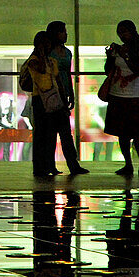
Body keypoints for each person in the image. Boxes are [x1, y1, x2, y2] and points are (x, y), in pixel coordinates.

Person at [102, 19, 139, 177]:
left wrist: (125, 56)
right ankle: (128, 164)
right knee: (122, 133)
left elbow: (138, 70)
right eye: (120, 32)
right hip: (117, 95)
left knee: (137, 133)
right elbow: (108, 70)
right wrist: (110, 56)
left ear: (132, 31)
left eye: (125, 31)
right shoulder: (119, 50)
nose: (122, 35)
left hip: (132, 96)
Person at [44, 21, 87, 175]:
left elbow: (68, 74)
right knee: (54, 132)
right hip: (52, 95)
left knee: (64, 132)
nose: (66, 34)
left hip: (63, 94)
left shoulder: (67, 52)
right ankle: (57, 164)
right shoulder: (48, 52)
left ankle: (71, 164)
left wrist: (71, 93)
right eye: (63, 31)